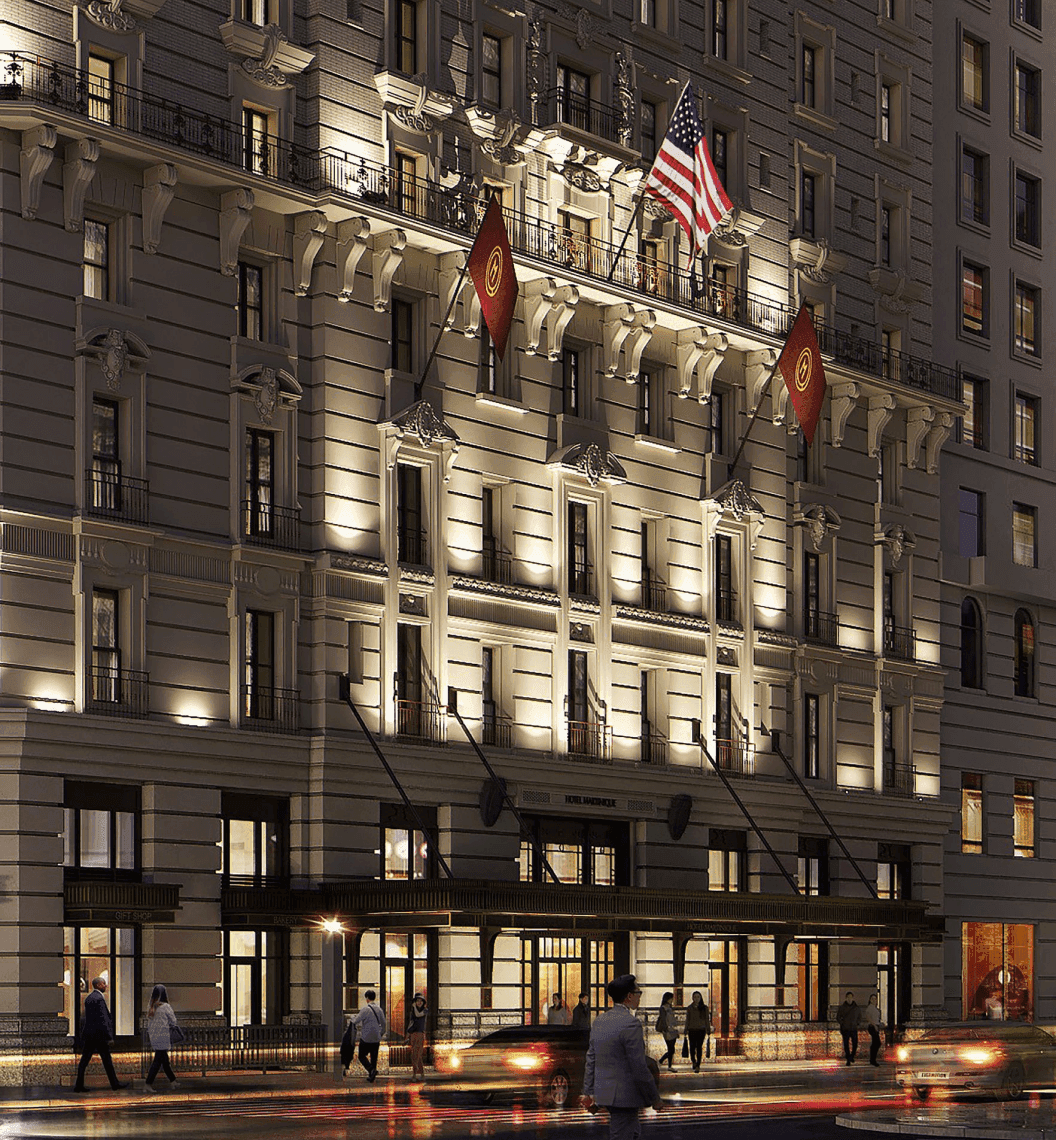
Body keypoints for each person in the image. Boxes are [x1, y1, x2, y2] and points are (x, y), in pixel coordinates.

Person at [581, 974, 663, 1140]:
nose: (640, 996)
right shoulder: (631, 1023)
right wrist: (654, 1097)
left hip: (604, 1092)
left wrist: (588, 1092)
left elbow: (591, 1059)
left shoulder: (600, 1021)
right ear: (629, 996)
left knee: (632, 1132)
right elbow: (638, 1066)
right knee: (623, 1134)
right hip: (625, 1095)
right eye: (638, 992)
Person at [74, 977, 128, 1092]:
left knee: (85, 1060)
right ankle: (114, 1083)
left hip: (90, 1035)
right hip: (99, 1036)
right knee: (107, 1060)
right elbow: (103, 1019)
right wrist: (109, 1036)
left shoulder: (89, 998)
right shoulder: (99, 998)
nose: (105, 985)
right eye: (103, 984)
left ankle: (79, 1085)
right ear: (98, 985)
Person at [144, 984, 180, 1092]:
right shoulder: (166, 1007)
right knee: (158, 1061)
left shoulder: (150, 1006)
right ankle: (148, 1084)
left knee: (164, 1060)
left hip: (154, 1036)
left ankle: (173, 1081)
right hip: (164, 1036)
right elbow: (173, 1021)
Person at [347, 989, 387, 1083]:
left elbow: (356, 1020)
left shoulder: (365, 1009)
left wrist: (352, 1018)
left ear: (367, 998)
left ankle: (371, 1070)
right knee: (374, 1058)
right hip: (376, 1038)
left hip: (366, 1038)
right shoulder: (379, 1010)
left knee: (361, 1056)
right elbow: (384, 1024)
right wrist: (380, 1034)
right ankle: (371, 1076)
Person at [684, 991, 711, 1072]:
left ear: (700, 998)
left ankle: (698, 1064)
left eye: (698, 997)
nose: (696, 999)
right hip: (692, 1029)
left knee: (699, 1047)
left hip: (701, 1030)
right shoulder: (690, 1008)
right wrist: (685, 1029)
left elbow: (707, 1020)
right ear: (692, 998)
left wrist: (708, 1029)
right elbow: (687, 1020)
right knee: (692, 1047)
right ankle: (693, 1061)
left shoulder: (704, 1008)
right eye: (695, 997)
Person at [405, 992, 427, 1080]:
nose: (419, 1002)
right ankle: (421, 1073)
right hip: (413, 1034)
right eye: (418, 1001)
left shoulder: (425, 1010)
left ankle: (415, 1073)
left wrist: (414, 1007)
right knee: (415, 1054)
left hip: (420, 1034)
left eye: (421, 1001)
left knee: (417, 1054)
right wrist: (407, 1034)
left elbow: (419, 1015)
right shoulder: (412, 1012)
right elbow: (411, 1023)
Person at [836, 991, 861, 1065]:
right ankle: (848, 1059)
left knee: (855, 1044)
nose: (849, 999)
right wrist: (842, 1023)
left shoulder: (856, 1008)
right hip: (846, 1028)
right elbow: (838, 1017)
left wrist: (857, 1023)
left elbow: (859, 1017)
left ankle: (851, 1056)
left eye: (851, 997)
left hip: (853, 1028)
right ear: (846, 998)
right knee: (846, 1044)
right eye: (848, 997)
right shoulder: (842, 1008)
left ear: (852, 998)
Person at [656, 992, 678, 1071]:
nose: (672, 1000)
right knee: (671, 1049)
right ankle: (661, 1061)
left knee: (671, 1049)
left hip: (673, 1030)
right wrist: (666, 1029)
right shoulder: (663, 1008)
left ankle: (669, 1065)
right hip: (667, 1030)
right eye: (671, 998)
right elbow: (663, 1019)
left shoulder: (670, 1007)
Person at [862, 993, 883, 1066]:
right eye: (872, 999)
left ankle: (873, 1059)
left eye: (875, 999)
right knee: (877, 1042)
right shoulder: (869, 1008)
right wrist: (874, 1025)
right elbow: (868, 1017)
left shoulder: (875, 1008)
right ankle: (872, 1059)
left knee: (876, 1043)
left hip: (876, 1025)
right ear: (870, 1000)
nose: (874, 1000)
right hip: (872, 1026)